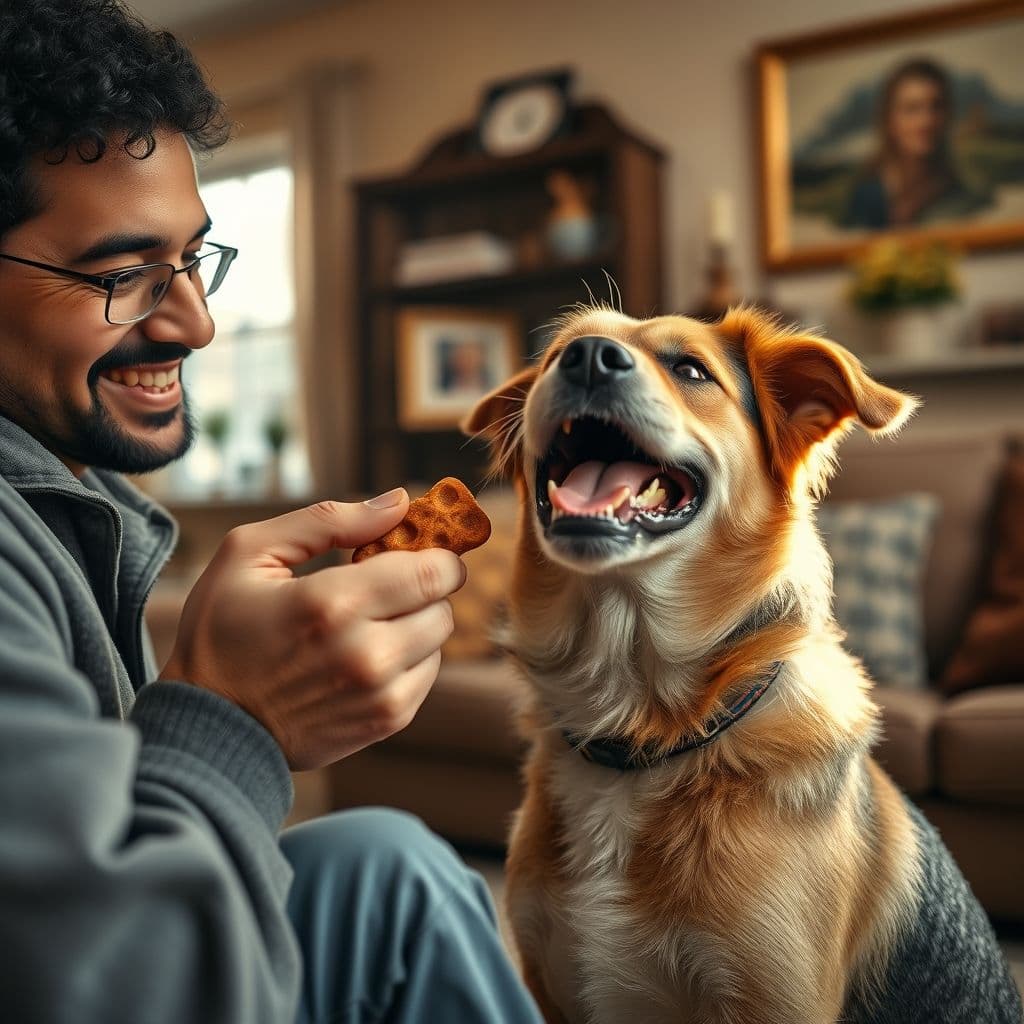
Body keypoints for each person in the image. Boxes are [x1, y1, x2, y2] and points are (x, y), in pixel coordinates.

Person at [0, 2, 543, 1022]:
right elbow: (127, 987)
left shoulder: (77, 507)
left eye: (192, 260)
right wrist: (231, 718)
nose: (196, 323)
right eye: (122, 275)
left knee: (386, 863)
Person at [842, 57, 991, 229]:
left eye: (936, 106)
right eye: (911, 109)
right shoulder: (866, 194)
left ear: (948, 115)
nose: (926, 121)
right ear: (890, 119)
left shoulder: (965, 197)